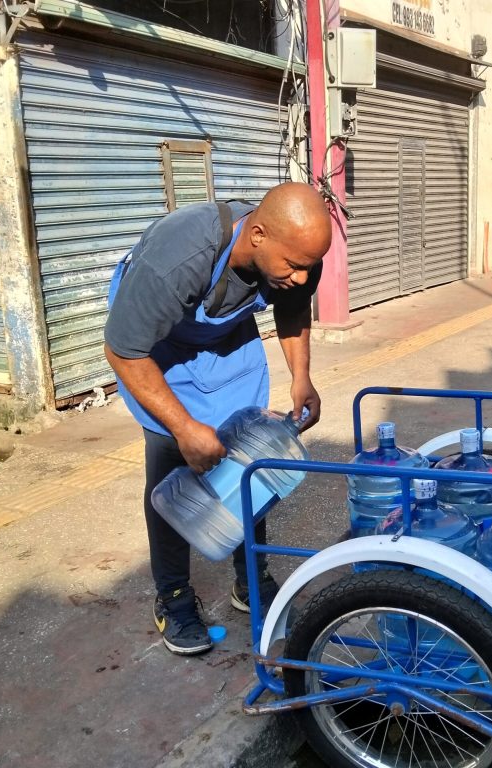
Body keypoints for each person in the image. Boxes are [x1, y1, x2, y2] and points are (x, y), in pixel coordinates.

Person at [104, 182, 332, 655]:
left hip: (224, 339)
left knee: (250, 461)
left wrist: (301, 377)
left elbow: (293, 311)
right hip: (155, 348)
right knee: (173, 467)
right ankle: (173, 596)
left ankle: (251, 579)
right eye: (293, 266)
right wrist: (184, 428)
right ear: (258, 235)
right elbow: (124, 349)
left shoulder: (298, 256)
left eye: (309, 268)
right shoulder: (179, 258)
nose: (300, 277)